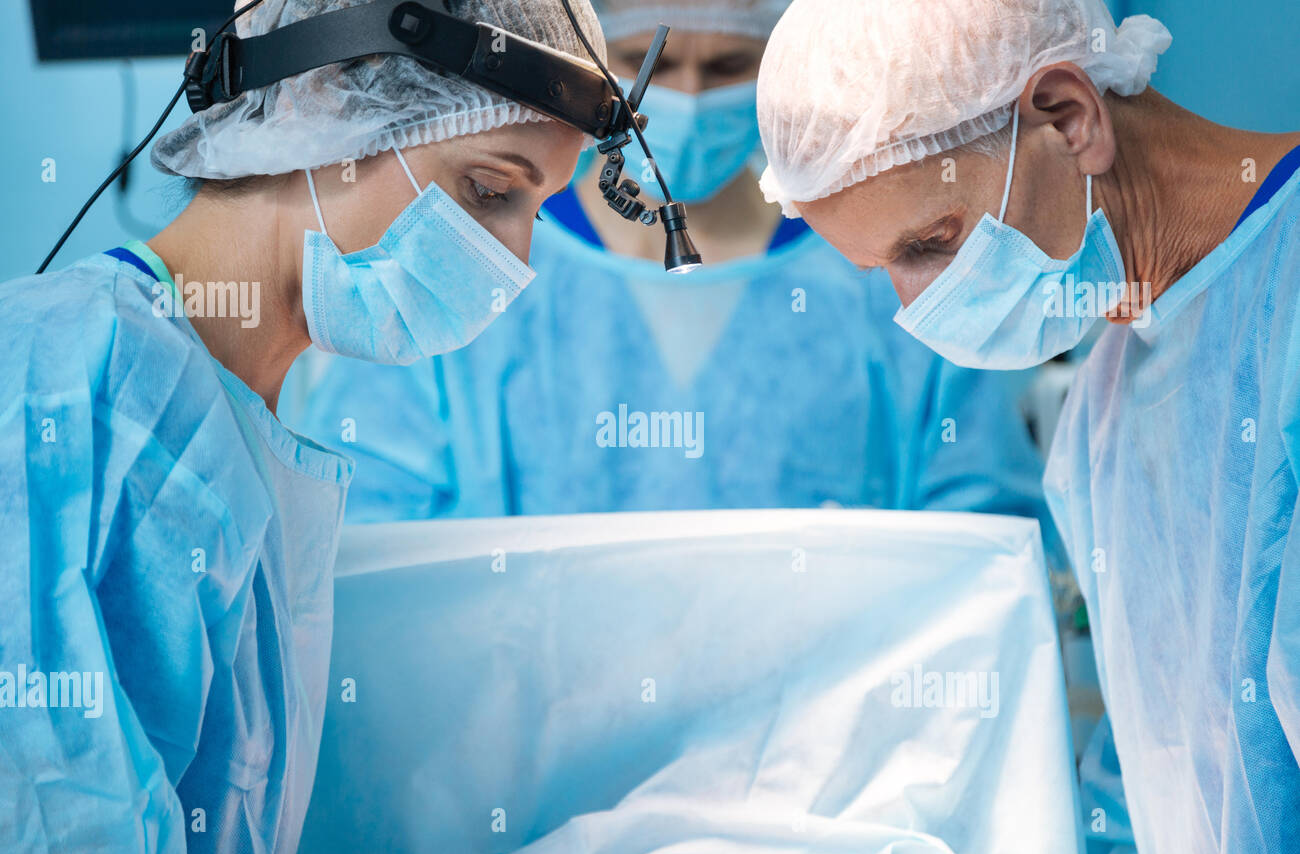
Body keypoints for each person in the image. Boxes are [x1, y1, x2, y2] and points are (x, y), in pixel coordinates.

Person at [0, 0, 608, 854]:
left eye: (536, 212)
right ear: (319, 103)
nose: (518, 258)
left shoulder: (247, 431)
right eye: (491, 190)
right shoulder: (58, 384)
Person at [756, 0, 1300, 854]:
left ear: (1069, 117)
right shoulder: (1105, 409)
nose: (917, 308)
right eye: (882, 273)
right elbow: (1159, 787)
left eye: (931, 243)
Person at [287, 0, 1053, 529]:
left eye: (726, 64)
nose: (683, 99)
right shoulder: (466, 266)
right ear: (582, 60)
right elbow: (376, 538)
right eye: (642, 62)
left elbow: (977, 538)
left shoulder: (886, 259)